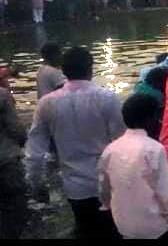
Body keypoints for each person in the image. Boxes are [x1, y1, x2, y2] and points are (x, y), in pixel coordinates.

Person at [25, 47, 125, 239]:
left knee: (85, 228)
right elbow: (121, 142)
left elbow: (35, 152)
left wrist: (35, 183)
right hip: (108, 182)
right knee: (113, 230)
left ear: (63, 70)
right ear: (90, 68)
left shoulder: (46, 103)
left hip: (75, 187)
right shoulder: (107, 98)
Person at [98, 94, 168, 239]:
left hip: (123, 227)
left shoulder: (110, 149)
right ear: (149, 119)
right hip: (154, 229)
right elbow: (165, 197)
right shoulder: (154, 149)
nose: (160, 121)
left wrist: (107, 207)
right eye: (157, 116)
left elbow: (104, 190)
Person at [0, 87, 29, 238]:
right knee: (15, 209)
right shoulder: (2, 95)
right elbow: (16, 128)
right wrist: (24, 141)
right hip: (6, 160)